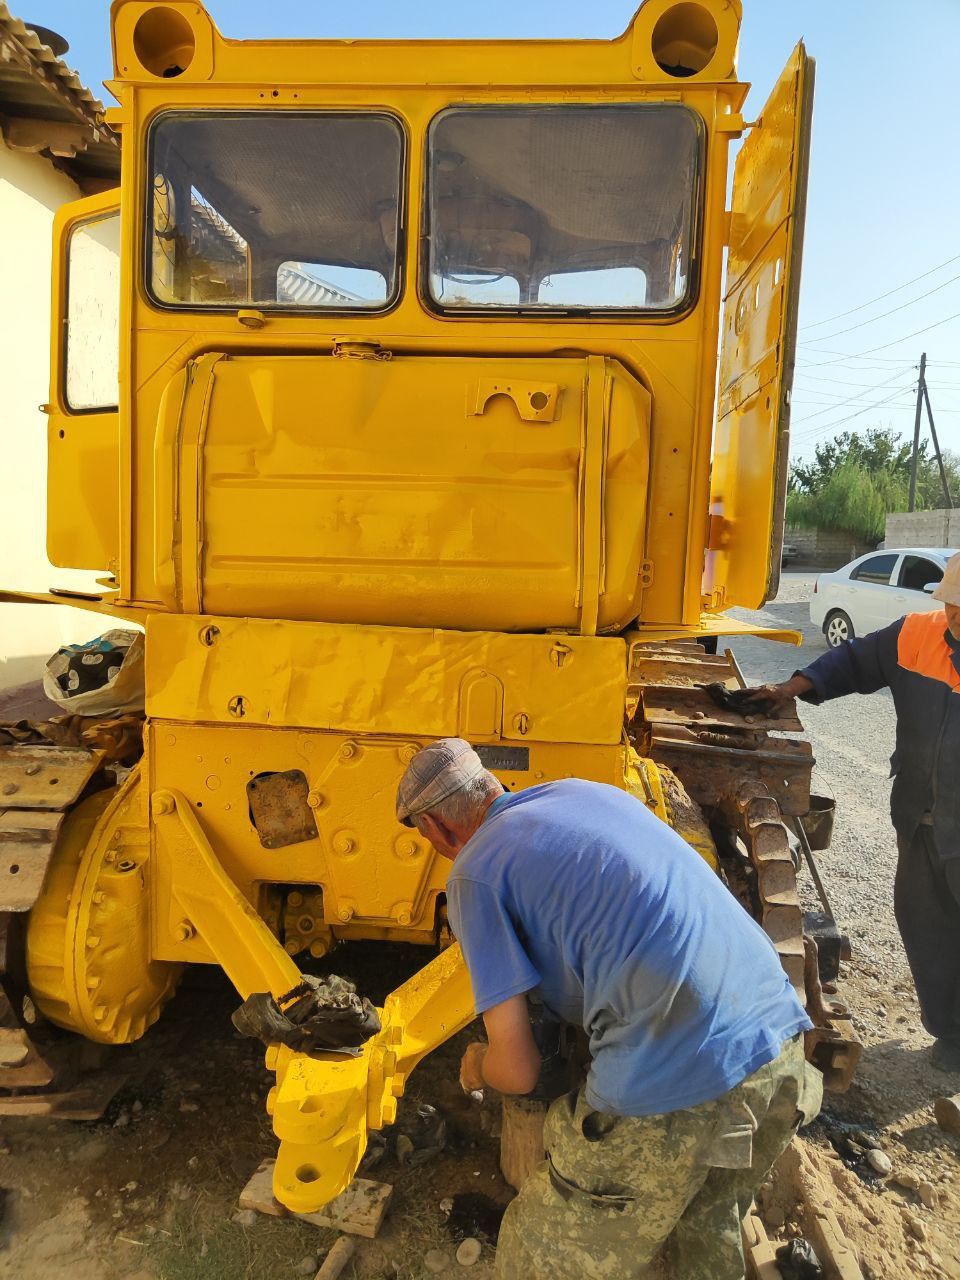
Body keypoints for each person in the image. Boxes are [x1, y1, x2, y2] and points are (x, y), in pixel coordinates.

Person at [395, 739, 823, 1280]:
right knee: (705, 1222)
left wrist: (478, 1063)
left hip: (676, 1083)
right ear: (490, 783)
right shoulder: (583, 793)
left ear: (434, 827)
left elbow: (519, 1071)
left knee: (534, 1255)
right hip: (778, 1049)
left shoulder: (475, 872)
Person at [745, 550, 960, 1074]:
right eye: (952, 605)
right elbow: (857, 660)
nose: (954, 617)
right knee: (924, 924)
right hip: (919, 818)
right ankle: (951, 1034)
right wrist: (793, 686)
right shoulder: (918, 634)